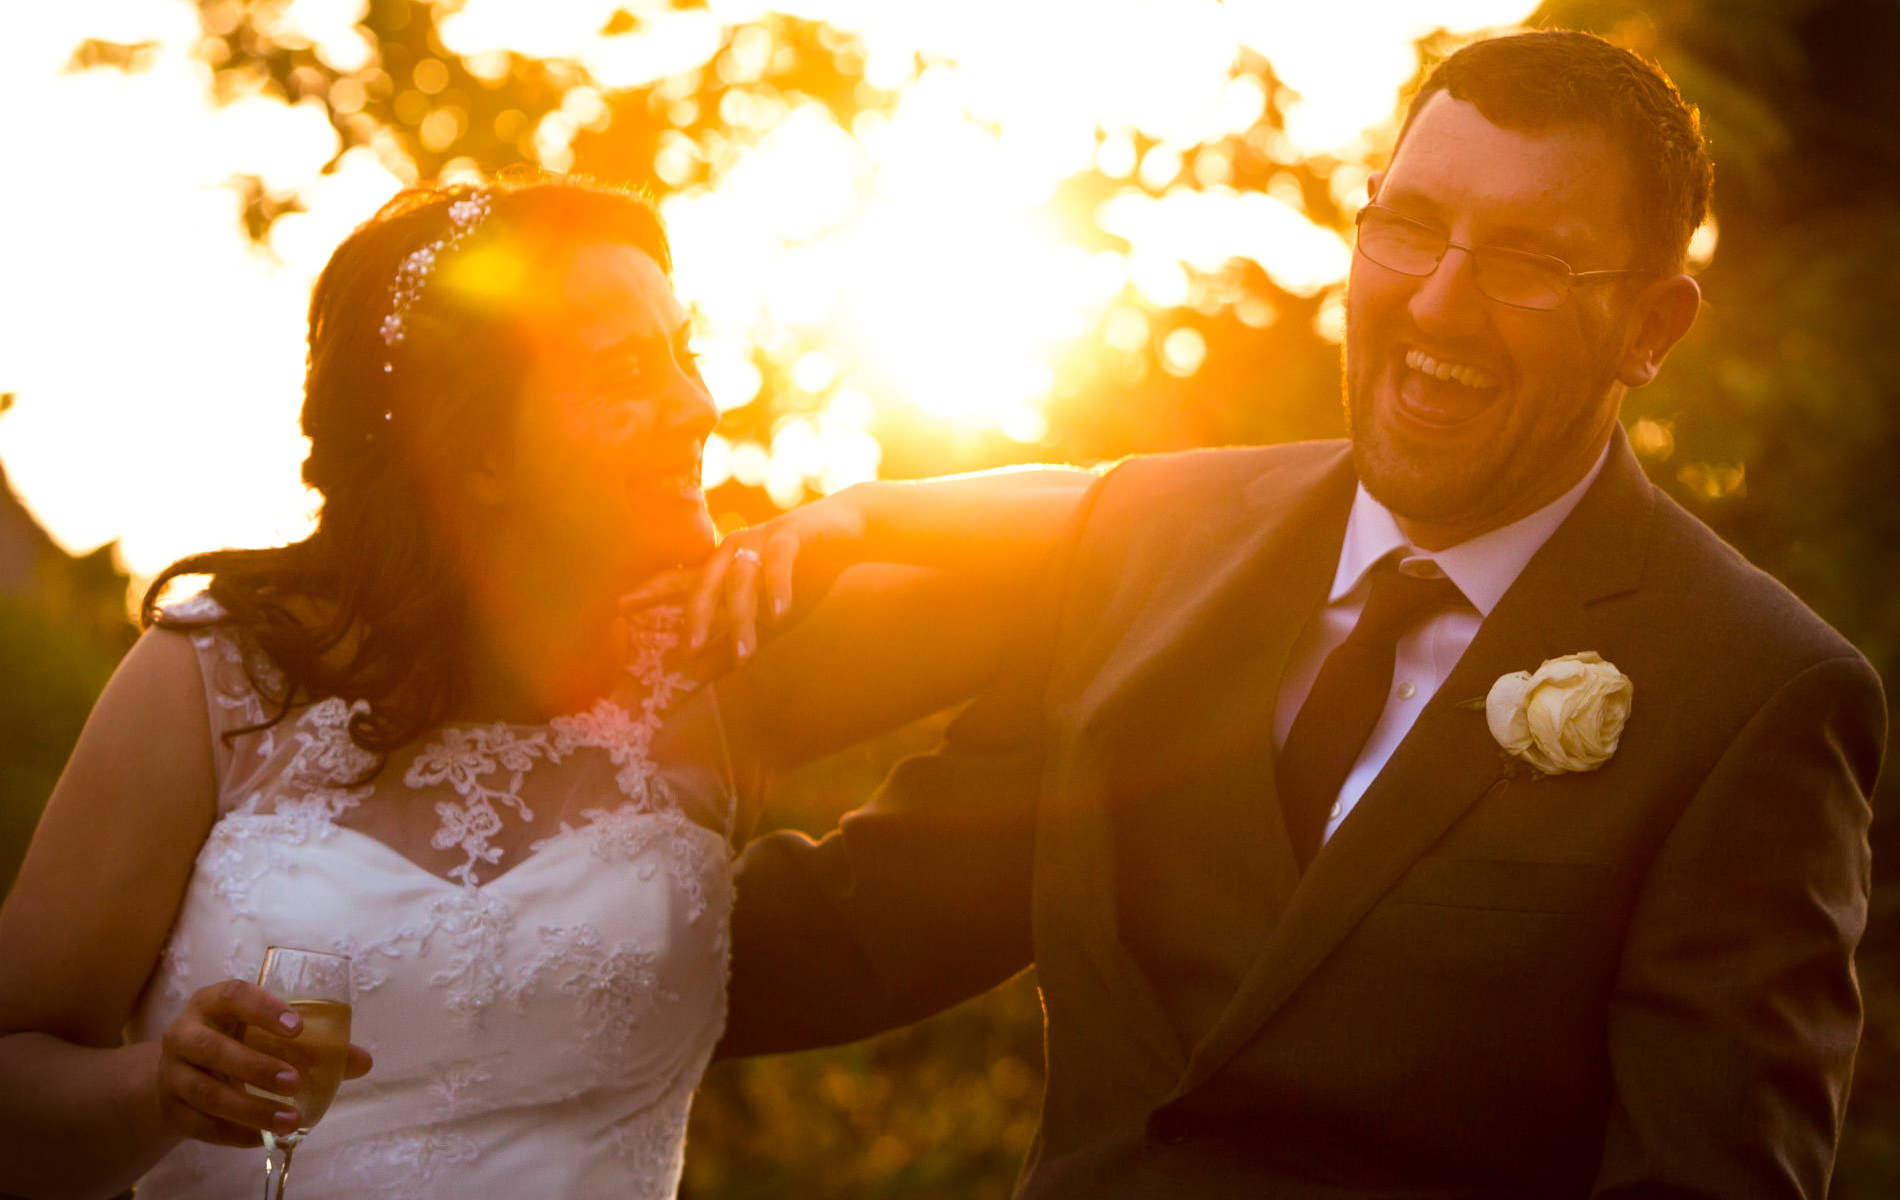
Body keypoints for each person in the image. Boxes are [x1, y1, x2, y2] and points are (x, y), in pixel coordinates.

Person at [715, 31, 1888, 1198]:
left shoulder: (1753, 695)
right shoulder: (1155, 533)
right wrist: (550, 949)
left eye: (1529, 260)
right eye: (1410, 225)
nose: (1438, 304)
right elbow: (868, 926)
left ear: (1652, 329)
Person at [0, 172, 1088, 1198]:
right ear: (477, 454)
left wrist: (869, 515)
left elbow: (1115, 531)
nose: (697, 404)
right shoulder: (217, 678)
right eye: (626, 374)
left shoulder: (721, 660)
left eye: (682, 351)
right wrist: (159, 1087)